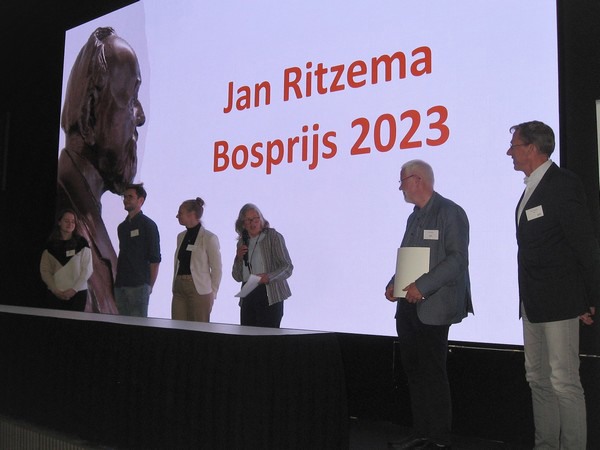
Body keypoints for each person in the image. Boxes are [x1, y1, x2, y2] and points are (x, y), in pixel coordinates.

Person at [507, 120, 599, 450]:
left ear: (532, 148)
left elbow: (584, 244)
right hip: (532, 303)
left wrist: (590, 298)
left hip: (561, 301)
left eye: (514, 146)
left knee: (564, 382)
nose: (509, 152)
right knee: (538, 380)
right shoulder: (530, 188)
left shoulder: (562, 184)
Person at [56, 26, 146, 314]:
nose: (140, 117)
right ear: (90, 112)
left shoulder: (82, 211)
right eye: (131, 98)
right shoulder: (64, 220)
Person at [385, 160, 472, 450]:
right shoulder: (414, 217)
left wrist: (422, 286)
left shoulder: (450, 212)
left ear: (418, 180)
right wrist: (394, 283)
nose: (400, 188)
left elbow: (457, 260)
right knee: (415, 372)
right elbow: (408, 256)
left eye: (402, 181)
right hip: (408, 306)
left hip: (434, 306)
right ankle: (421, 432)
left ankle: (439, 438)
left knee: (433, 374)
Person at [232, 203, 293, 328]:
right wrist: (238, 258)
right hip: (248, 293)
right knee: (247, 335)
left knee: (267, 336)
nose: (253, 223)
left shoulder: (273, 237)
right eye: (248, 220)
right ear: (243, 224)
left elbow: (287, 267)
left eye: (256, 219)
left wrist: (268, 277)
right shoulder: (242, 242)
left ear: (261, 219)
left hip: (270, 293)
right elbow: (237, 277)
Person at [172, 197, 223, 322]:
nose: (177, 216)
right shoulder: (180, 237)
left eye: (180, 213)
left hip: (199, 289)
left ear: (192, 215)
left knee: (198, 328)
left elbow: (217, 268)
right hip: (179, 287)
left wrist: (213, 293)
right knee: (177, 326)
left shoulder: (209, 238)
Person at [114, 183, 161, 317]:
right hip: (120, 284)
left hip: (139, 285)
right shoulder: (122, 227)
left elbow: (155, 259)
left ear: (140, 201)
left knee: (137, 325)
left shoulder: (148, 225)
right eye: (124, 197)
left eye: (130, 197)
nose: (126, 200)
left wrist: (149, 286)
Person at [40, 209, 93, 311]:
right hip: (55, 294)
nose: (70, 224)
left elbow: (87, 269)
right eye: (66, 221)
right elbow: (45, 271)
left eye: (73, 221)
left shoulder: (82, 243)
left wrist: (74, 290)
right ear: (59, 222)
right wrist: (55, 291)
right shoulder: (50, 246)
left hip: (78, 294)